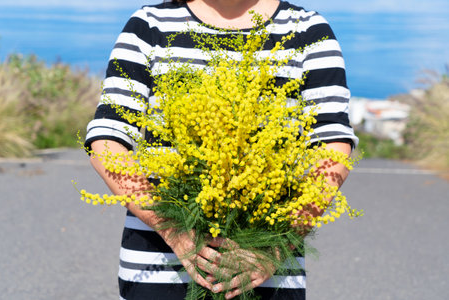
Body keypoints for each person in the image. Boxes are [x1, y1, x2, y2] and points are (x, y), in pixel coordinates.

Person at [85, 0, 358, 299]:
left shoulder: (307, 30)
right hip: (156, 269)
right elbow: (107, 139)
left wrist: (275, 248)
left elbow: (332, 146)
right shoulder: (150, 24)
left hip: (267, 275)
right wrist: (173, 230)